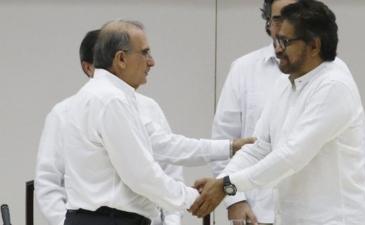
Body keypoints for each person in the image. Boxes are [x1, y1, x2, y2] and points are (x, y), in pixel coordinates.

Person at [35, 20, 254, 225]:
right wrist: (195, 198)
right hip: (110, 220)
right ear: (121, 59)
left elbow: (164, 144)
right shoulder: (111, 101)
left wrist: (229, 147)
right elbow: (141, 175)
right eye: (145, 53)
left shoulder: (106, 96)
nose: (152, 62)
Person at [191, 1, 365, 225]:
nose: (277, 49)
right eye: (277, 40)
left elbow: (291, 157)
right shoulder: (284, 84)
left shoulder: (334, 85)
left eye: (285, 42)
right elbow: (257, 148)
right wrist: (221, 183)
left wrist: (227, 185)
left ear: (314, 45)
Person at [211, 1, 296, 224]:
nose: (287, 24)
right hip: (257, 215)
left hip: (309, 215)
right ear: (268, 24)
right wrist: (234, 200)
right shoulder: (244, 69)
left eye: (296, 14)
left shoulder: (328, 76)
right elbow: (224, 142)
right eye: (278, 18)